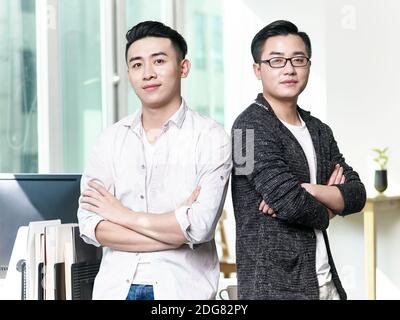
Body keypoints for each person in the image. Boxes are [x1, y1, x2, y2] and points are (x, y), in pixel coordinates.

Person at [78, 21, 232, 300]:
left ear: (183, 68)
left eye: (159, 61)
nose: (147, 73)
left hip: (181, 291)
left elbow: (199, 227)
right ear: (128, 74)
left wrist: (123, 216)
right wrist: (174, 228)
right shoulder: (109, 140)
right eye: (137, 65)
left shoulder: (211, 137)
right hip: (114, 289)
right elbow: (91, 224)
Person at [231, 20, 366, 300]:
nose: (289, 69)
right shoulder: (245, 130)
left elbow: (357, 195)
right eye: (276, 61)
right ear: (258, 69)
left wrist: (308, 190)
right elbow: (291, 204)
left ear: (308, 65)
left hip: (325, 281)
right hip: (272, 287)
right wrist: (328, 209)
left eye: (298, 59)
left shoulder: (319, 130)